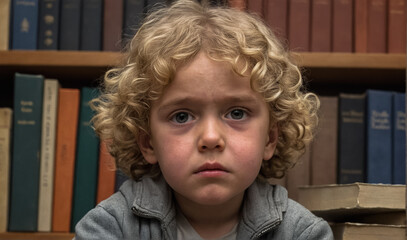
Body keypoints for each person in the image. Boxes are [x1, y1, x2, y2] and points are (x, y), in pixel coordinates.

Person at [74, 0, 333, 239]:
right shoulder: (110, 227)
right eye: (182, 116)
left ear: (270, 138)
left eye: (237, 113)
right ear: (148, 143)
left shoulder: (302, 233)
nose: (210, 138)